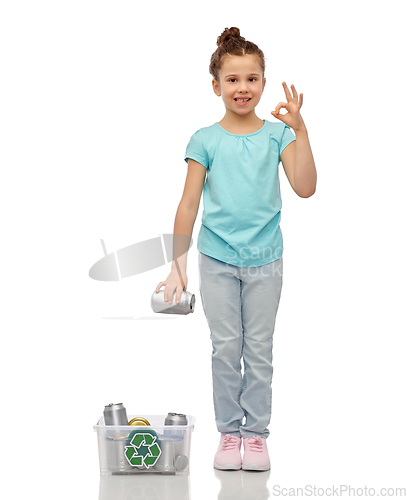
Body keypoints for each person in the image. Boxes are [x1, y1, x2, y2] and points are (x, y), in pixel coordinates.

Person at [155, 27, 317, 471]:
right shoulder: (205, 139)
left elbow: (305, 188)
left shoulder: (278, 136)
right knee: (226, 347)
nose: (242, 88)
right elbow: (188, 204)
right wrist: (177, 266)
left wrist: (300, 130)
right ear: (216, 86)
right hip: (218, 261)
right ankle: (229, 433)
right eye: (232, 80)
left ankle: (256, 435)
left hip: (266, 261)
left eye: (251, 79)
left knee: (259, 348)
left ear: (263, 83)